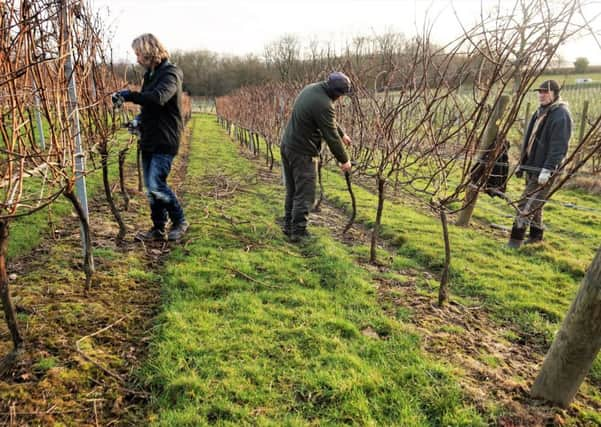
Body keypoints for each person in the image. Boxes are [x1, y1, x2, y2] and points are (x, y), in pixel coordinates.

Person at [112, 33, 188, 242]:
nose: (136, 59)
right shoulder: (150, 75)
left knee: (156, 184)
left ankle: (179, 220)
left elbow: (159, 98)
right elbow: (149, 108)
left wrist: (130, 95)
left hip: (165, 138)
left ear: (148, 52)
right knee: (150, 187)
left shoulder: (171, 73)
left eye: (138, 54)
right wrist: (138, 120)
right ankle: (158, 227)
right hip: (150, 137)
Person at [280, 72, 353, 243]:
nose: (341, 99)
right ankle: (298, 232)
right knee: (305, 194)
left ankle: (288, 226)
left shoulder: (312, 89)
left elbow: (327, 121)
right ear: (336, 93)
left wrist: (342, 134)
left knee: (292, 190)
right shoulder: (323, 104)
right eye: (341, 95)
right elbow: (330, 136)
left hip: (288, 145)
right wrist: (344, 160)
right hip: (302, 152)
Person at [508, 80, 572, 248]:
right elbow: (530, 140)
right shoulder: (541, 111)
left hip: (545, 170)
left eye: (546, 92)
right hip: (533, 166)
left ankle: (514, 242)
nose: (542, 94)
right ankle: (536, 237)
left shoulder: (560, 114)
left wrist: (548, 169)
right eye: (540, 91)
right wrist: (524, 164)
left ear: (555, 93)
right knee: (535, 203)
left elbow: (559, 147)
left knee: (526, 204)